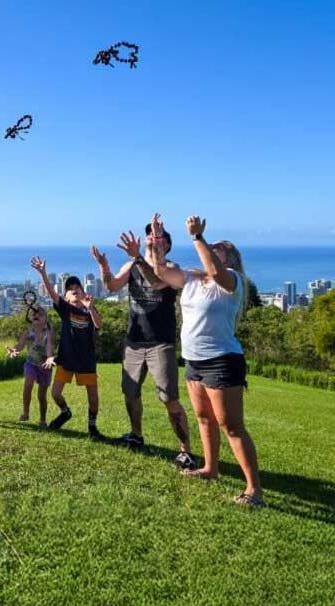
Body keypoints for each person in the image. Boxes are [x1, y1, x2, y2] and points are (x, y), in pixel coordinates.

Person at [146, 213, 264, 508]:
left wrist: (198, 237)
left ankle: (254, 490)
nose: (212, 249)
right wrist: (157, 240)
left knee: (231, 425)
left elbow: (214, 268)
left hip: (222, 360)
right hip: (193, 360)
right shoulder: (192, 279)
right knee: (203, 418)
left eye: (219, 248)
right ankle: (210, 469)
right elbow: (159, 270)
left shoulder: (232, 282)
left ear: (230, 260)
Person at [92, 226, 198, 470]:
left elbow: (157, 283)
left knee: (169, 398)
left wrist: (138, 258)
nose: (153, 239)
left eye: (158, 237)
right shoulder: (131, 267)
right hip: (134, 341)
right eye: (150, 236)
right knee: (130, 392)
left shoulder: (171, 269)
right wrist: (104, 266)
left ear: (167, 246)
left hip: (161, 342)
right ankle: (136, 435)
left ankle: (186, 451)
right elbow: (111, 286)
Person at [29, 256, 103, 437]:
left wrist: (91, 307)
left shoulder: (89, 311)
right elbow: (51, 292)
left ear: (84, 292)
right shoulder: (65, 310)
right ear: (66, 298)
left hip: (86, 360)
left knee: (93, 398)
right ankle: (65, 412)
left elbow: (99, 325)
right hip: (66, 358)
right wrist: (43, 273)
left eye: (77, 287)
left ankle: (92, 427)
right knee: (55, 394)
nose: (74, 290)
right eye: (70, 290)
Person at [6, 306, 54, 426]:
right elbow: (20, 344)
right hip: (31, 363)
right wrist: (14, 350)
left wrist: (49, 358)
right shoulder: (29, 331)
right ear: (30, 317)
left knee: (41, 396)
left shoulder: (48, 332)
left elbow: (50, 346)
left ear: (46, 319)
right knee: (28, 385)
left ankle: (42, 419)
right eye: (34, 314)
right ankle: (25, 412)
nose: (37, 315)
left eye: (41, 314)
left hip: (45, 366)